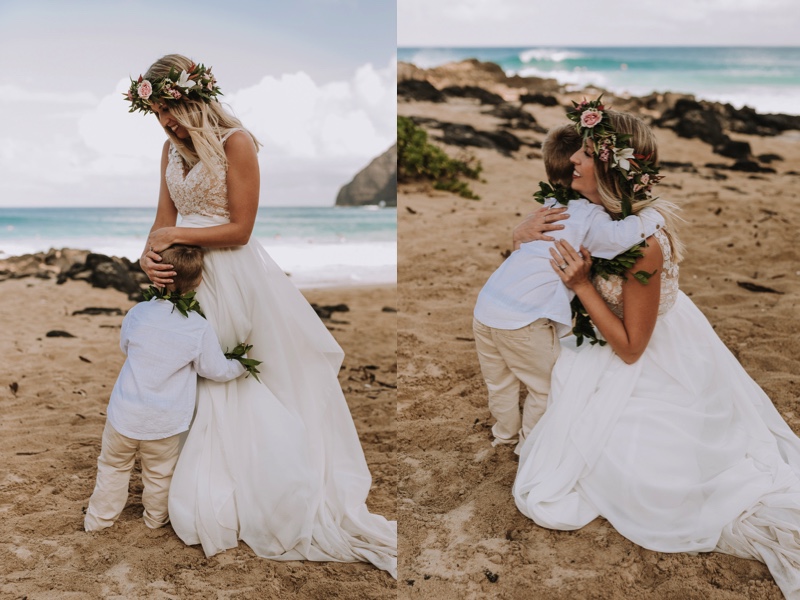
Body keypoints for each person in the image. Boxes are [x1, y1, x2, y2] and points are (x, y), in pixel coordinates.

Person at [512, 101, 800, 599]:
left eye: (583, 154)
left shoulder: (645, 243)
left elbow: (629, 348)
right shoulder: (584, 213)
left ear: (609, 166)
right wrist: (518, 235)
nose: (572, 163)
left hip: (646, 351)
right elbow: (524, 268)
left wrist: (581, 285)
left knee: (635, 474)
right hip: (601, 337)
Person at [128, 54, 396, 578]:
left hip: (232, 276)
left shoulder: (237, 143)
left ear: (194, 96)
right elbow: (163, 221)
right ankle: (190, 476)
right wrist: (149, 256)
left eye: (170, 107)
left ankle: (254, 483)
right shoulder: (167, 148)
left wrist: (176, 236)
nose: (165, 121)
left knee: (232, 373)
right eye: (156, 111)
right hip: (186, 276)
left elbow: (241, 229)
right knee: (188, 372)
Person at [472, 124, 664, 452]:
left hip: (486, 306)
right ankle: (528, 448)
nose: (576, 159)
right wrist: (652, 217)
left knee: (499, 383)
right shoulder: (591, 218)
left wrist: (519, 236)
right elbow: (617, 238)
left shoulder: (552, 205)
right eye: (577, 154)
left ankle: (502, 435)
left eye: (586, 154)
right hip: (521, 319)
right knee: (547, 388)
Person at [85, 245, 247, 532]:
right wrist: (241, 364)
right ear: (198, 282)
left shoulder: (138, 313)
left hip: (124, 413)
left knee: (112, 467)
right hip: (164, 421)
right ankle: (155, 519)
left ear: (156, 276)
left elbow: (126, 346)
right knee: (159, 475)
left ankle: (99, 522)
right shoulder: (198, 327)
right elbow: (215, 370)